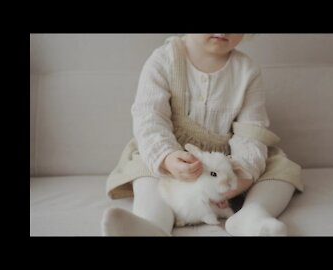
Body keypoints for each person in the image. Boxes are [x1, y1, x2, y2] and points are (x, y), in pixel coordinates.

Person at [102, 34, 304, 236]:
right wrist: (167, 158)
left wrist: (239, 177)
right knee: (146, 170)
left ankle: (252, 215)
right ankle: (152, 224)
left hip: (228, 162)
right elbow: (149, 117)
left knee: (281, 168)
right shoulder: (164, 59)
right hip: (175, 157)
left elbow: (251, 132)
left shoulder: (247, 71)